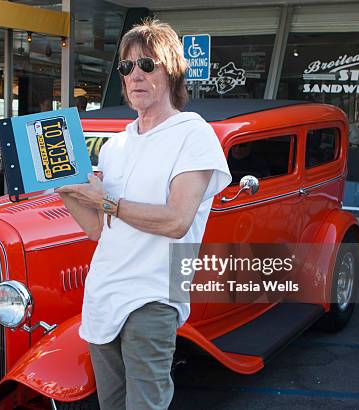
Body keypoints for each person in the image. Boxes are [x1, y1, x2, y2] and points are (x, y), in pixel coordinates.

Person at [56, 20, 231, 410]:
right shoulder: (114, 146)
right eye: (127, 67)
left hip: (153, 297)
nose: (136, 75)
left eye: (147, 65)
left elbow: (176, 220)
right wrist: (66, 189)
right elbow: (99, 233)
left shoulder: (193, 133)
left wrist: (106, 202)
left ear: (171, 71)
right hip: (103, 295)